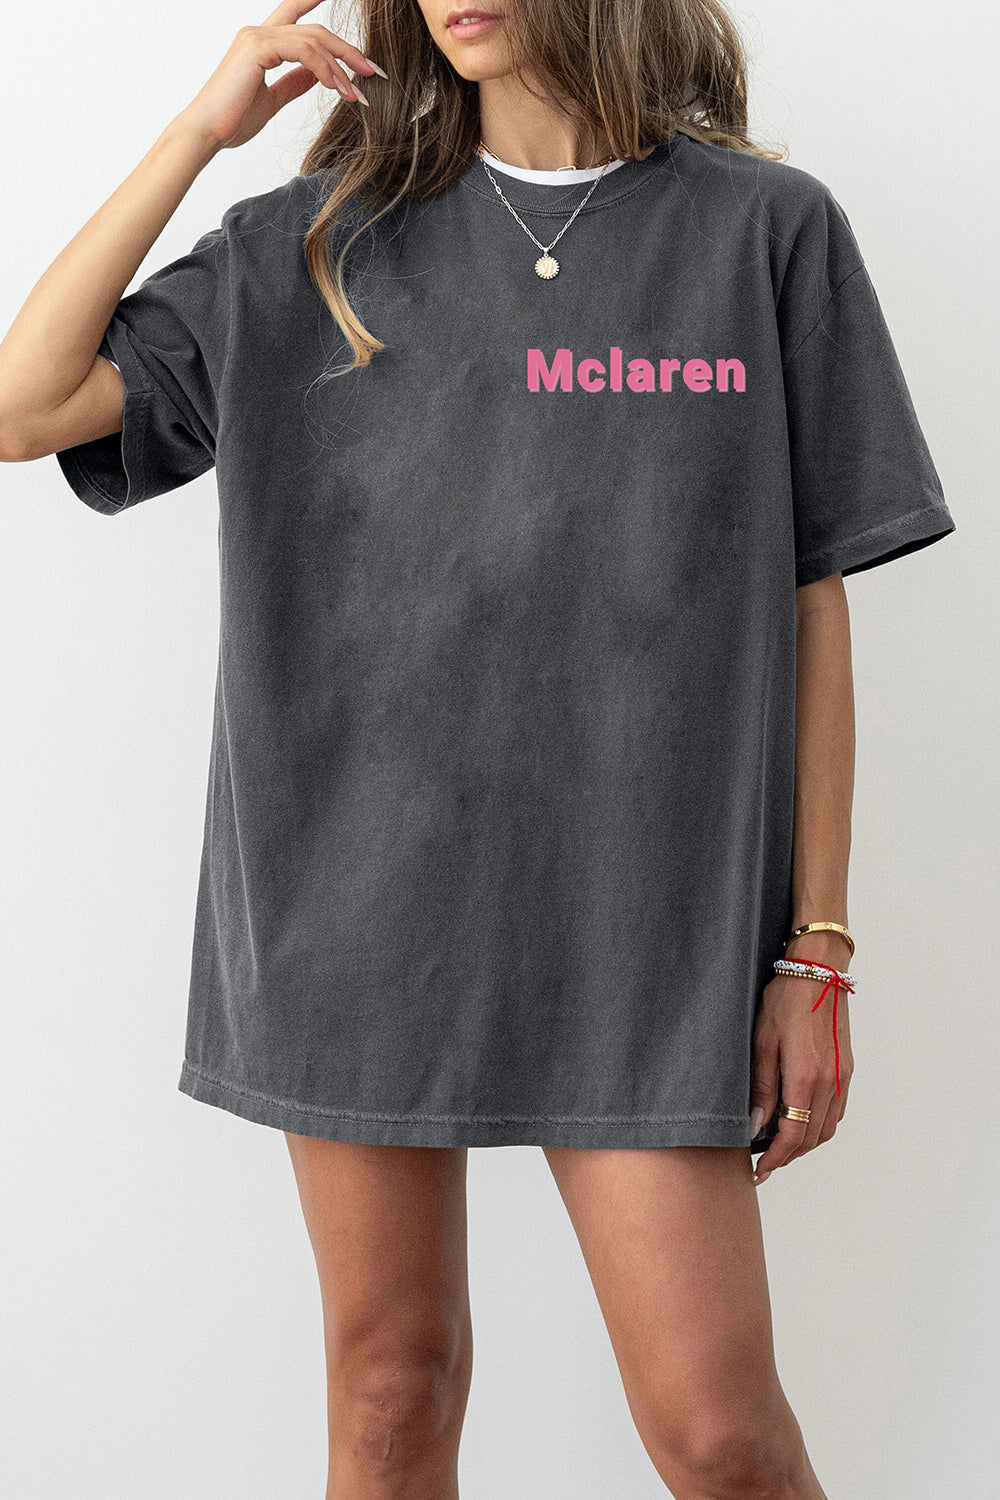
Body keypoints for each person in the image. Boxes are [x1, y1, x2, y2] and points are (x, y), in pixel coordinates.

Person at [0, 1, 956, 1495]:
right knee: (393, 1390)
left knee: (718, 1432)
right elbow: (24, 405)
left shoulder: (763, 232)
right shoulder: (309, 243)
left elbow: (810, 595)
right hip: (355, 909)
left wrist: (816, 945)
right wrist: (198, 133)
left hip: (646, 928)